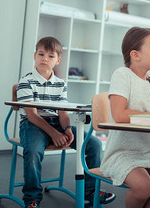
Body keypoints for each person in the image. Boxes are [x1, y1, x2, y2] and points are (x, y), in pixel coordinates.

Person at [17, 37, 115, 208]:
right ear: (34, 56)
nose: (44, 59)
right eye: (41, 54)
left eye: (50, 56)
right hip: (33, 125)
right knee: (33, 152)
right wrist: (54, 133)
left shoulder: (60, 84)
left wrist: (68, 129)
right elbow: (32, 115)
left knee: (94, 145)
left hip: (56, 123)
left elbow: (62, 112)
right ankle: (32, 198)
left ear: (58, 61)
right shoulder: (26, 81)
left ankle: (91, 192)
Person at [100, 27, 150, 208]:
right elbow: (119, 115)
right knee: (142, 185)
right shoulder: (122, 75)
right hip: (122, 153)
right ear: (135, 55)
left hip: (148, 152)